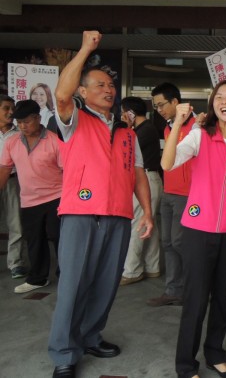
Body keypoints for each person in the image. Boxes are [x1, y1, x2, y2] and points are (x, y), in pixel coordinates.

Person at [48, 31, 154, 378]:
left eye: (111, 85)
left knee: (106, 283)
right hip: (80, 215)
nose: (108, 90)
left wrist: (147, 212)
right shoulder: (73, 120)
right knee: (73, 284)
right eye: (99, 85)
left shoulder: (127, 131)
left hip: (118, 217)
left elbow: (137, 173)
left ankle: (91, 336)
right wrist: (85, 50)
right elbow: (61, 93)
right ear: (83, 91)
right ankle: (64, 350)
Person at [161, 80, 226, 378]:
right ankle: (185, 364)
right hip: (198, 229)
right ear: (213, 104)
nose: (225, 100)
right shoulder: (200, 135)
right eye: (219, 97)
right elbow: (167, 163)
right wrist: (179, 122)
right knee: (196, 297)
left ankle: (215, 352)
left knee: (222, 294)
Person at [0, 100, 62, 294]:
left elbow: (68, 171)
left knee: (59, 238)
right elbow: (4, 168)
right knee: (35, 240)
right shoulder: (12, 142)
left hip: (56, 197)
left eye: (27, 121)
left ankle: (66, 275)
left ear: (37, 118)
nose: (23, 126)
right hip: (29, 200)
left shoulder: (54, 141)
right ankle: (37, 279)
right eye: (19, 123)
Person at [148, 82, 197, 306]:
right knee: (167, 242)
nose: (159, 109)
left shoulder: (199, 125)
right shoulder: (169, 127)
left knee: (180, 242)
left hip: (188, 194)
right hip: (169, 191)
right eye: (155, 106)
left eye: (161, 105)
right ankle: (173, 290)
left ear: (175, 102)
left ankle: (195, 288)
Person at [119, 96, 164, 285]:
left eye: (123, 112)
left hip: (146, 179)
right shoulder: (145, 128)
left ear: (130, 113)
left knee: (138, 225)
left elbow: (127, 149)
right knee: (148, 224)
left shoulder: (143, 130)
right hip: (150, 179)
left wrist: (126, 128)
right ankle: (152, 267)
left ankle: (132, 270)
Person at [0, 95, 27, 280]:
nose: (11, 112)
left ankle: (16, 263)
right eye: (6, 108)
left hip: (12, 181)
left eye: (12, 109)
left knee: (15, 223)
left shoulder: (20, 134)